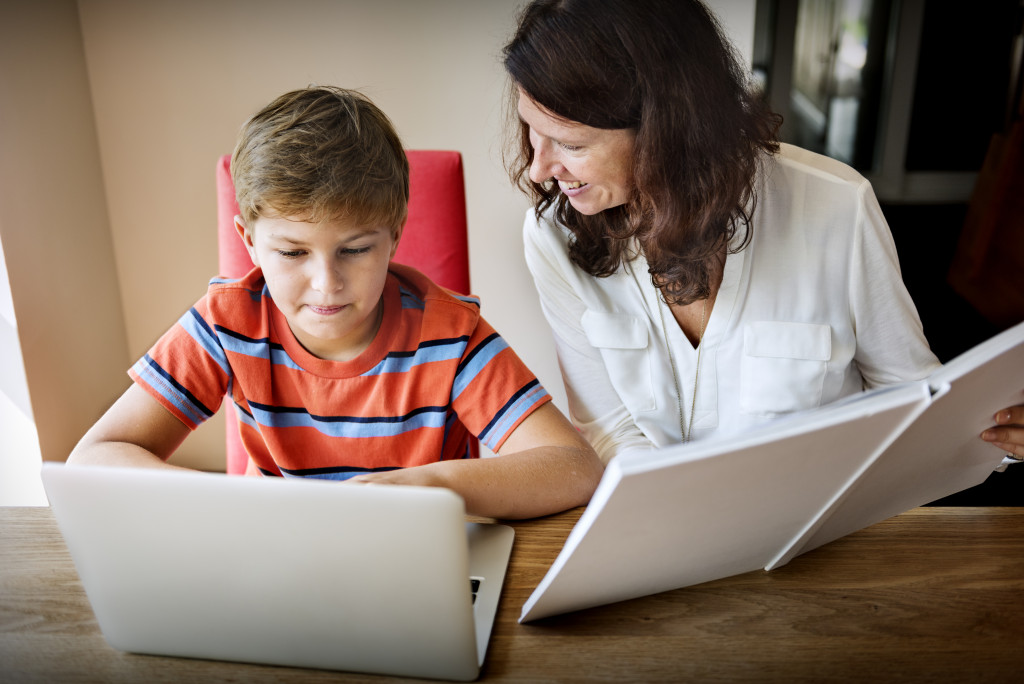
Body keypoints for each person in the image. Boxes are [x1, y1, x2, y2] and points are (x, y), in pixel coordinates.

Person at [502, 0, 1024, 464]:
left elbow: (906, 394)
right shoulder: (553, 236)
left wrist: (999, 428)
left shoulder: (836, 205)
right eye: (531, 129)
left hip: (820, 534)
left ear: (666, 128)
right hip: (666, 535)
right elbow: (611, 429)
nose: (539, 169)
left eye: (570, 144)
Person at [68, 85, 604, 519]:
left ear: (394, 236)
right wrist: (239, 503)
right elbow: (94, 459)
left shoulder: (450, 335)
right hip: (271, 561)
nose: (326, 283)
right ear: (249, 241)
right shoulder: (226, 324)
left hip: (415, 564)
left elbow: (574, 468)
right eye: (292, 252)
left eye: (354, 250)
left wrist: (429, 485)